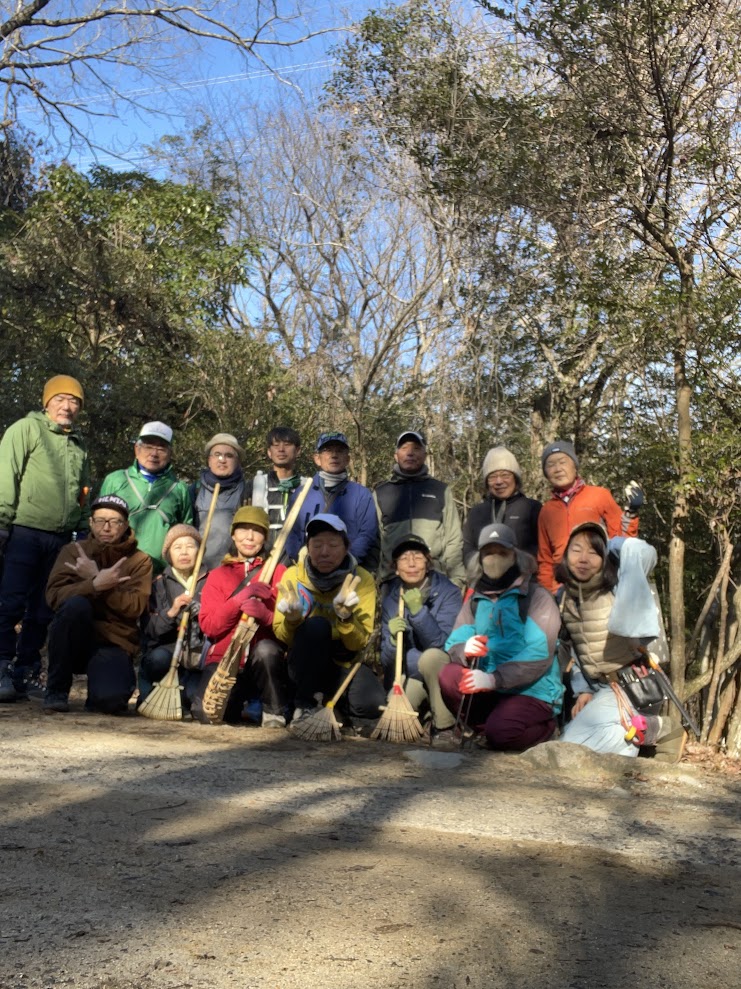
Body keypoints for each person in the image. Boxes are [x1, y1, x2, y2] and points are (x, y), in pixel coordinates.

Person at [557, 522, 686, 762]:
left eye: (593, 552)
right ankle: (639, 733)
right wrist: (583, 690)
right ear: (566, 555)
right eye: (576, 550)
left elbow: (644, 554)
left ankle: (659, 727)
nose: (583, 559)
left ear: (605, 557)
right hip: (600, 687)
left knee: (571, 746)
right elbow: (577, 648)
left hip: (633, 685)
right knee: (581, 744)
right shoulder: (565, 596)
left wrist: (617, 542)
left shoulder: (618, 585)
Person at [0, 374, 90, 702]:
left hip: (61, 537)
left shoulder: (78, 443)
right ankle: (1, 666)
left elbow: (83, 490)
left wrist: (82, 528)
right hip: (23, 530)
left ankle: (25, 670)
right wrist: (2, 522)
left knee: (43, 607)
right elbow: (6, 474)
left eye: (74, 401)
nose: (67, 406)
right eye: (60, 399)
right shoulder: (25, 429)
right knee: (10, 601)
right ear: (47, 402)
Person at [439, 523, 563, 750]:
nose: (494, 559)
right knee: (449, 675)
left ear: (515, 555)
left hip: (532, 690)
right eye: (488, 553)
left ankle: (546, 729)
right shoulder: (476, 597)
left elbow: (539, 654)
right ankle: (482, 730)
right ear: (479, 558)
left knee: (503, 733)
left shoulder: (536, 597)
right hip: (489, 687)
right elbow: (455, 640)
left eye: (502, 553)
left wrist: (495, 678)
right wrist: (464, 648)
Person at [42, 495, 152, 714]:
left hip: (113, 641)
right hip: (73, 638)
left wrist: (101, 582)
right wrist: (93, 585)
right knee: (75, 606)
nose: (107, 527)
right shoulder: (73, 551)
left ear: (126, 525)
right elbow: (54, 596)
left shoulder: (140, 560)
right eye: (100, 520)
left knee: (110, 702)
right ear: (91, 523)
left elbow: (134, 607)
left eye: (115, 521)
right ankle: (56, 690)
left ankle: (100, 691)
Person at [274, 514, 384, 725]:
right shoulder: (292, 576)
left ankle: (332, 705)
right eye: (317, 545)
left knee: (372, 702)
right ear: (307, 547)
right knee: (317, 627)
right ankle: (305, 706)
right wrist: (293, 620)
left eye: (333, 545)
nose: (324, 552)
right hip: (302, 664)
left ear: (346, 547)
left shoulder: (361, 580)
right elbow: (282, 636)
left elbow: (359, 642)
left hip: (340, 662)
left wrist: (346, 618)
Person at [193, 507, 289, 727]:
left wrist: (267, 616)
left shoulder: (279, 572)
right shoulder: (217, 576)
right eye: (243, 529)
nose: (249, 537)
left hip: (261, 665)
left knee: (266, 650)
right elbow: (210, 626)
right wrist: (238, 601)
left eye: (257, 531)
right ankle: (239, 707)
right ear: (233, 535)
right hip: (225, 661)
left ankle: (274, 711)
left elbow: (288, 629)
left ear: (265, 537)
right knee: (205, 714)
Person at [380, 534, 462, 740]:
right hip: (411, 677)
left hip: (440, 673)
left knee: (431, 658)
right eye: (404, 558)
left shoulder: (448, 592)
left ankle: (444, 727)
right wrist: (392, 641)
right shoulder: (391, 599)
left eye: (417, 557)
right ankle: (426, 715)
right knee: (395, 729)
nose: (411, 563)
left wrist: (418, 612)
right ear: (395, 568)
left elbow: (442, 645)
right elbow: (386, 661)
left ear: (428, 563)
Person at [537, 440, 641, 593]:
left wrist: (631, 513)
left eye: (563, 462)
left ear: (575, 466)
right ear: (546, 473)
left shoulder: (599, 496)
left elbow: (621, 540)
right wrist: (547, 593)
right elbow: (545, 560)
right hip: (562, 589)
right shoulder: (546, 510)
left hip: (598, 584)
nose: (557, 469)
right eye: (551, 465)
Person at [98, 421, 193, 575]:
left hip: (161, 575)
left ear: (170, 453)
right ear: (137, 449)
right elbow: (99, 524)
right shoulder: (115, 480)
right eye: (148, 446)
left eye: (161, 448)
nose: (154, 453)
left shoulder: (179, 488)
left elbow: (185, 532)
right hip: (117, 570)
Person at [374, 430, 466, 588]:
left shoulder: (440, 490)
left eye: (416, 448)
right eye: (404, 448)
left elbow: (454, 538)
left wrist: (456, 580)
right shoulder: (381, 492)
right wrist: (377, 581)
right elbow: (375, 542)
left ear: (425, 455)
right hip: (393, 581)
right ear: (396, 455)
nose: (410, 453)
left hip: (435, 580)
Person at [283, 432, 379, 570]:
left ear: (347, 459)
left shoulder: (361, 495)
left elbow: (367, 534)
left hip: (349, 572)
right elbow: (290, 532)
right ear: (317, 459)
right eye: (328, 450)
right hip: (306, 571)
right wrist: (304, 561)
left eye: (339, 451)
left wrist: (345, 561)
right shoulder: (302, 493)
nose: (334, 455)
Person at [139, 524, 208, 709]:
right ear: (169, 554)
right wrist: (172, 611)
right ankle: (150, 688)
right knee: (158, 659)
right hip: (167, 651)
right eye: (177, 547)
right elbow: (150, 629)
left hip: (197, 653)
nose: (184, 552)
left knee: (193, 700)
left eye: (190, 546)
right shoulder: (158, 584)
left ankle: (187, 694)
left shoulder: (211, 581)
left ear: (200, 552)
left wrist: (202, 614)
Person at [462, 447, 541, 565]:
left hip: (524, 574)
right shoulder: (476, 512)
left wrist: (517, 561)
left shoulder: (532, 508)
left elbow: (543, 548)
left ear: (516, 479)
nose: (499, 481)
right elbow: (467, 547)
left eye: (505, 475)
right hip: (482, 575)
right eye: (492, 477)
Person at [244, 427, 308, 558]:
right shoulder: (255, 485)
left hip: (298, 560)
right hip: (262, 558)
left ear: (297, 451)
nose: (281, 449)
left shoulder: (307, 486)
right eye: (276, 445)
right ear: (269, 452)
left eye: (287, 445)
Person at [190, 433, 249, 570]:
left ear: (237, 461)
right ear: (209, 460)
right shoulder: (195, 490)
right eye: (217, 455)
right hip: (200, 570)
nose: (222, 460)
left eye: (229, 456)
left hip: (234, 570)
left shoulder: (247, 491)